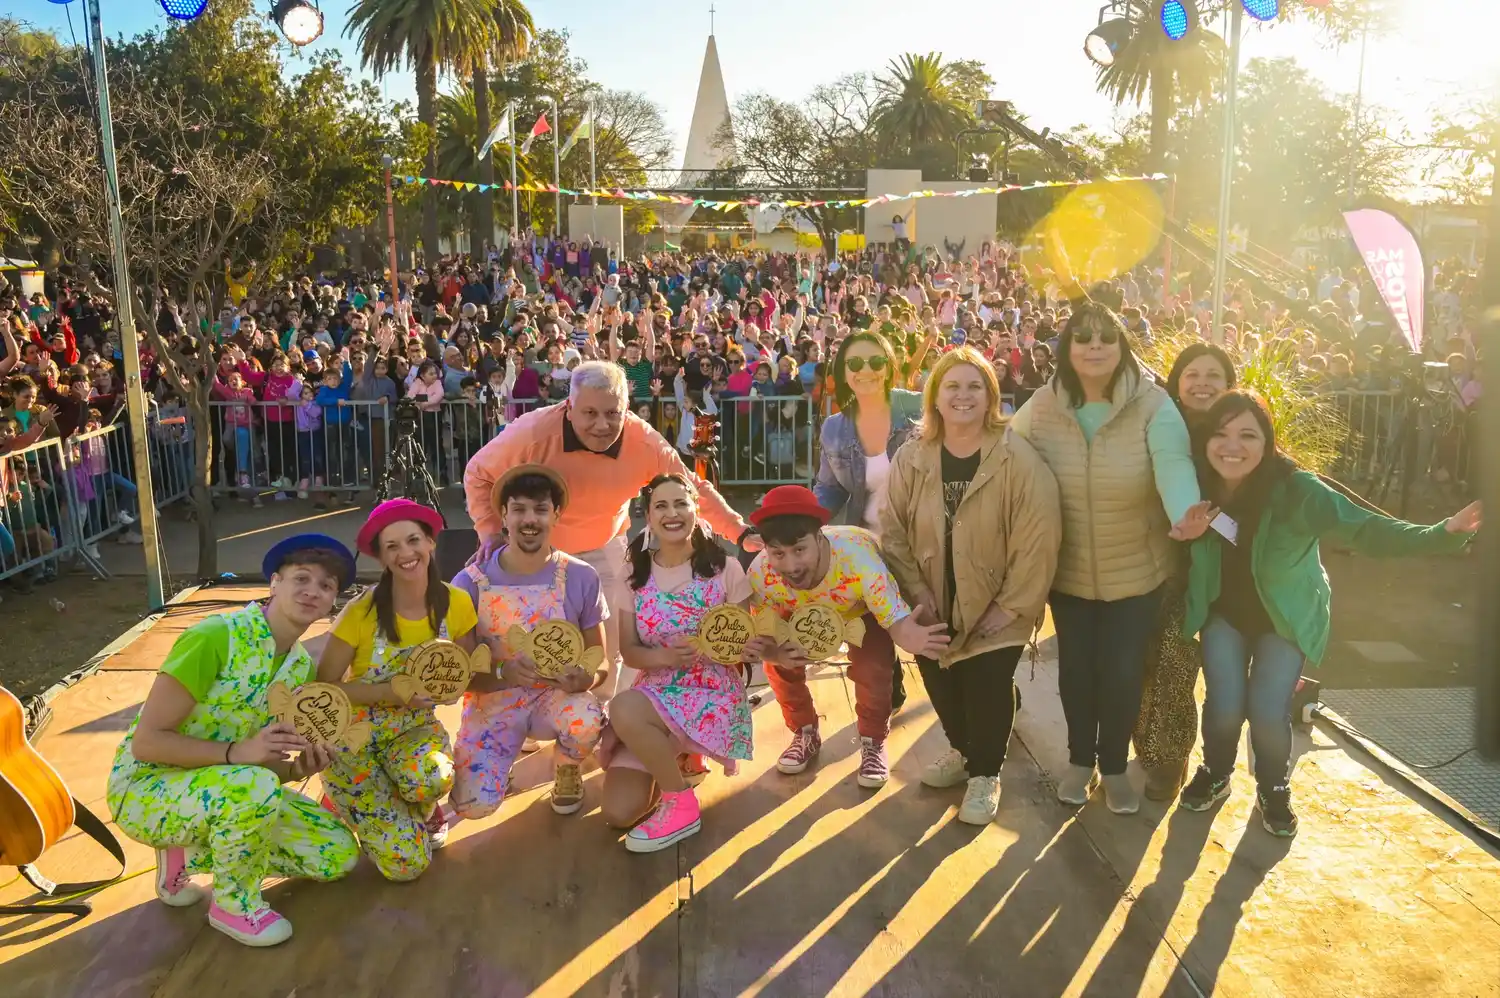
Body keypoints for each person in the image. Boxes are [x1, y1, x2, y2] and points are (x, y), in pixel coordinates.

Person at [1175, 392, 1482, 836]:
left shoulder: (1299, 491)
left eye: (1248, 435)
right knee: (1223, 707)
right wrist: (1183, 534)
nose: (1232, 446)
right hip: (1223, 614)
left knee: (1266, 711)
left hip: (1286, 619)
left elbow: (1365, 529)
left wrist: (1443, 533)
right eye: (1220, 434)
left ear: (1268, 442)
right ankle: (1216, 772)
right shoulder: (1195, 483)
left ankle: (1274, 787)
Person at [107, 534, 360, 947]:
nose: (313, 591)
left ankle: (185, 852)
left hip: (227, 788)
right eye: (302, 578)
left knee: (335, 853)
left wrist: (297, 768)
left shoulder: (299, 669)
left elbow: (259, 761)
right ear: (274, 583)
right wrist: (236, 753)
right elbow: (147, 743)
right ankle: (233, 903)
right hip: (147, 788)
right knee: (254, 786)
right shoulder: (215, 637)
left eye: (327, 585)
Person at [463, 361, 761, 699]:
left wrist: (739, 531)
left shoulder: (644, 442)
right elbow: (477, 473)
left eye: (612, 413)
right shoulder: (531, 433)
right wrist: (489, 531)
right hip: (537, 552)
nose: (602, 425)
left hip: (605, 547)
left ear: (627, 409)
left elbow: (691, 489)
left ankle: (600, 717)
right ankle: (531, 715)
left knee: (608, 645)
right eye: (590, 413)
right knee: (533, 641)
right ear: (569, 407)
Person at [1010, 302, 1201, 815]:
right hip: (1068, 576)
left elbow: (1173, 464)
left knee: (1121, 674)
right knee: (1076, 672)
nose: (1095, 346)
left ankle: (1114, 766)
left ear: (1122, 347)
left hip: (1137, 576)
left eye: (1106, 338)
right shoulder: (1042, 406)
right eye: (1083, 338)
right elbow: (1004, 459)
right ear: (1067, 349)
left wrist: (1184, 513)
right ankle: (1079, 761)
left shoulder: (1153, 405)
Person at [880, 347, 1062, 824]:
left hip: (997, 601)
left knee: (986, 685)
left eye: (974, 386)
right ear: (934, 397)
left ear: (991, 397)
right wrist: (917, 593)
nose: (963, 396)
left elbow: (1038, 534)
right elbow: (893, 530)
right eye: (952, 386)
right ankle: (964, 752)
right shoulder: (912, 457)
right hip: (931, 598)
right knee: (943, 688)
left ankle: (985, 774)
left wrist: (1012, 604)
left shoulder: (1016, 458)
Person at [316, 499, 480, 881]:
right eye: (392, 547)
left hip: (413, 732)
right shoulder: (360, 611)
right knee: (406, 868)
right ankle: (342, 798)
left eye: (413, 540)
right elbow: (325, 688)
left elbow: (465, 668)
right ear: (382, 558)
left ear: (431, 543)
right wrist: (391, 693)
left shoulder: (456, 602)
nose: (406, 553)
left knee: (432, 777)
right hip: (355, 742)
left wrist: (452, 686)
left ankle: (418, 803)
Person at [747, 485, 950, 788]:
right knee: (779, 666)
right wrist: (775, 654)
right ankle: (804, 732)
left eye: (799, 550)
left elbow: (896, 620)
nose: (790, 566)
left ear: (820, 537)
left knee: (872, 669)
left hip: (858, 608)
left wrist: (913, 638)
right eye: (778, 553)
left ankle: (872, 741)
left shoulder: (860, 560)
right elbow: (763, 636)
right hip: (794, 610)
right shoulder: (761, 574)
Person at [600, 473, 758, 852]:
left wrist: (741, 648)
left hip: (711, 694)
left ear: (696, 510)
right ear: (648, 516)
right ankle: (678, 758)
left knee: (623, 707)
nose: (672, 513)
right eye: (661, 506)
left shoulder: (726, 569)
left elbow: (742, 640)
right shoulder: (634, 574)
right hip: (656, 693)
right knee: (617, 812)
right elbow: (631, 651)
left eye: (681, 503)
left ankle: (680, 802)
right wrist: (666, 657)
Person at [449, 465, 607, 819]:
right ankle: (492, 770)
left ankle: (567, 767)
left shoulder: (581, 576)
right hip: (493, 700)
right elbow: (461, 673)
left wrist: (587, 679)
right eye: (519, 509)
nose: (529, 519)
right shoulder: (469, 582)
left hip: (556, 697)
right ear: (503, 515)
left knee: (586, 718)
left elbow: (601, 662)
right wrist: (503, 670)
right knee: (473, 807)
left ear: (556, 514)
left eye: (540, 509)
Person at [1133, 343, 1238, 800]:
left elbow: (1254, 522)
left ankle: (1171, 758)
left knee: (1177, 665)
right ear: (1176, 382)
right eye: (1192, 373)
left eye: (1213, 375)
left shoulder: (1244, 437)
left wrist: (1213, 522)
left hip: (1207, 579)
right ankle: (1147, 748)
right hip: (1145, 566)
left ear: (1230, 386)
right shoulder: (1156, 426)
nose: (1202, 383)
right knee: (1137, 663)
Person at [814, 330, 924, 712]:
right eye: (855, 363)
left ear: (890, 367)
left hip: (923, 544)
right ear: (843, 373)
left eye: (876, 361)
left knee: (930, 632)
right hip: (869, 548)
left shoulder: (919, 408)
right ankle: (885, 699)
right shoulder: (834, 428)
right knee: (874, 643)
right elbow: (828, 490)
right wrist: (803, 523)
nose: (866, 370)